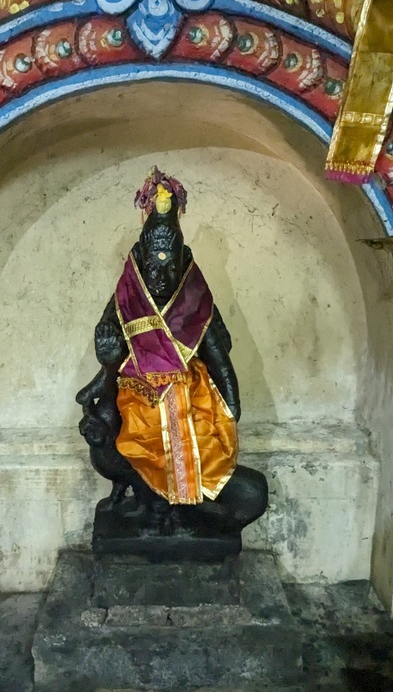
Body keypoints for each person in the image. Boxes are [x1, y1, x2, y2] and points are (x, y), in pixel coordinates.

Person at [77, 167, 267, 533]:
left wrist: (231, 401)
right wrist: (108, 351)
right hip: (140, 394)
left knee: (200, 445)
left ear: (183, 261)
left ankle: (187, 507)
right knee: (142, 440)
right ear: (141, 260)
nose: (162, 279)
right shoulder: (128, 297)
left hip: (193, 395)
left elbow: (217, 354)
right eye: (154, 269)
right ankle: (155, 507)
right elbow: (110, 350)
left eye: (170, 268)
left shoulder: (195, 297)